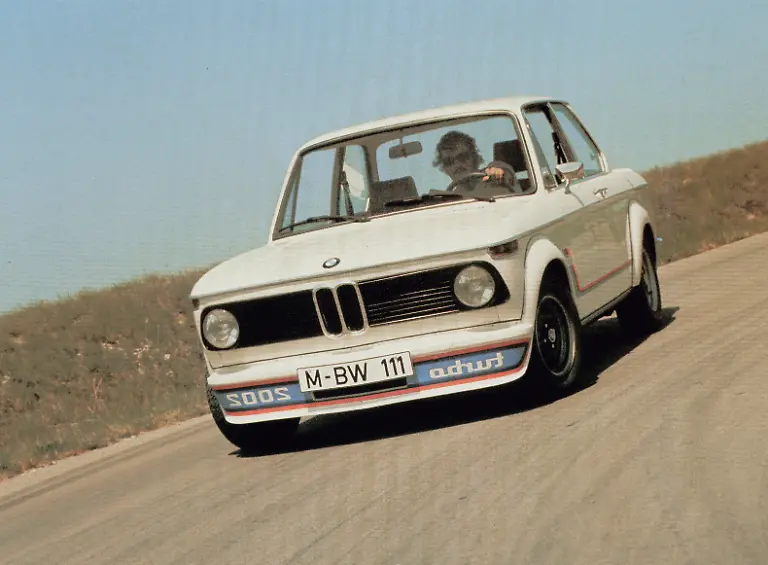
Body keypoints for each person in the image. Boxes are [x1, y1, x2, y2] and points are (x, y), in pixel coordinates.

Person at [432, 130, 522, 195]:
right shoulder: (452, 198)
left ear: (475, 157)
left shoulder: (491, 175)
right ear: (444, 168)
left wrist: (497, 173)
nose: (457, 165)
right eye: (449, 162)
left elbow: (504, 172)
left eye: (462, 157)